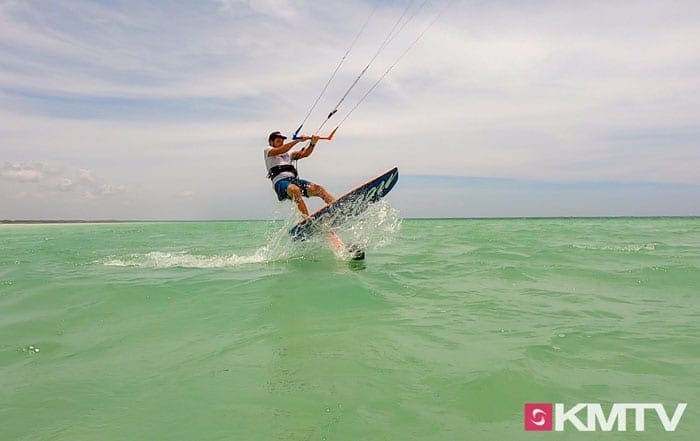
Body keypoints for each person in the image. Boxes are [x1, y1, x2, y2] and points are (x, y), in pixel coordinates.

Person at [264, 131, 335, 220]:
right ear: (271, 142)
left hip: (294, 181)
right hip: (281, 183)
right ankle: (306, 219)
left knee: (319, 189)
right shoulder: (268, 150)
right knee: (295, 190)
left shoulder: (288, 153)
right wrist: (297, 141)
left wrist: (312, 143)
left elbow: (305, 154)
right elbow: (281, 150)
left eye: (282, 141)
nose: (281, 143)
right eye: (278, 141)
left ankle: (336, 206)